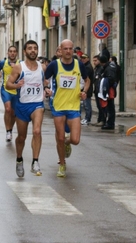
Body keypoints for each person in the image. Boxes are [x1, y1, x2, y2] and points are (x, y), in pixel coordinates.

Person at [44, 39, 90, 177]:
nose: (68, 51)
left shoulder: (79, 64)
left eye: (71, 48)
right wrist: (47, 88)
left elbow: (87, 80)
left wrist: (84, 91)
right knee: (59, 137)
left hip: (74, 106)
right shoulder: (54, 65)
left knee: (75, 139)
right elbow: (45, 79)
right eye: (66, 49)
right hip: (58, 106)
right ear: (61, 50)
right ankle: (62, 164)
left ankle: (67, 143)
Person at [5, 40, 46, 177]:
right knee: (21, 137)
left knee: (37, 131)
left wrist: (48, 89)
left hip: (37, 105)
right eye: (30, 48)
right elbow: (8, 84)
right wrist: (17, 85)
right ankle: (19, 159)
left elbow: (46, 82)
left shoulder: (42, 67)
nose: (33, 50)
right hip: (22, 105)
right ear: (24, 51)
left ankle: (35, 161)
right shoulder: (18, 67)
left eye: (35, 48)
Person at [0, 46, 19, 141]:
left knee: (13, 113)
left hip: (17, 91)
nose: (12, 53)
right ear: (8, 53)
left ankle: (10, 129)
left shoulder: (20, 63)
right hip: (6, 89)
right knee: (8, 109)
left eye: (14, 51)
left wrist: (17, 69)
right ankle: (8, 131)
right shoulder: (3, 63)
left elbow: (25, 74)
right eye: (10, 51)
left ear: (16, 53)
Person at [80, 54, 94, 125]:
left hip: (87, 89)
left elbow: (86, 79)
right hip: (85, 88)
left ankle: (87, 119)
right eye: (82, 58)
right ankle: (86, 118)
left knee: (87, 104)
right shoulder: (85, 66)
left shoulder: (88, 67)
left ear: (88, 58)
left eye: (84, 58)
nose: (83, 59)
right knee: (85, 104)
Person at [92, 54, 105, 126]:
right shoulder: (96, 68)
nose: (94, 62)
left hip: (100, 90)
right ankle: (99, 119)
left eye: (96, 61)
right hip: (96, 89)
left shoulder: (101, 68)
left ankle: (102, 120)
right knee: (98, 106)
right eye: (93, 61)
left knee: (101, 106)